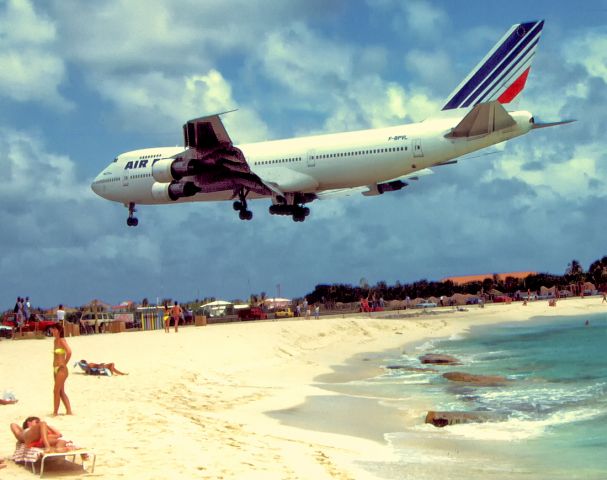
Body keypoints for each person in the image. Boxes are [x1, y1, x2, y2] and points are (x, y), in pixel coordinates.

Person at [51, 324, 72, 416]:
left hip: (62, 369)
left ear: (59, 331)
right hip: (55, 368)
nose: (52, 331)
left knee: (56, 391)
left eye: (54, 330)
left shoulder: (62, 340)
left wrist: (64, 363)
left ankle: (55, 412)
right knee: (60, 391)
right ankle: (69, 411)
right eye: (52, 330)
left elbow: (69, 352)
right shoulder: (55, 341)